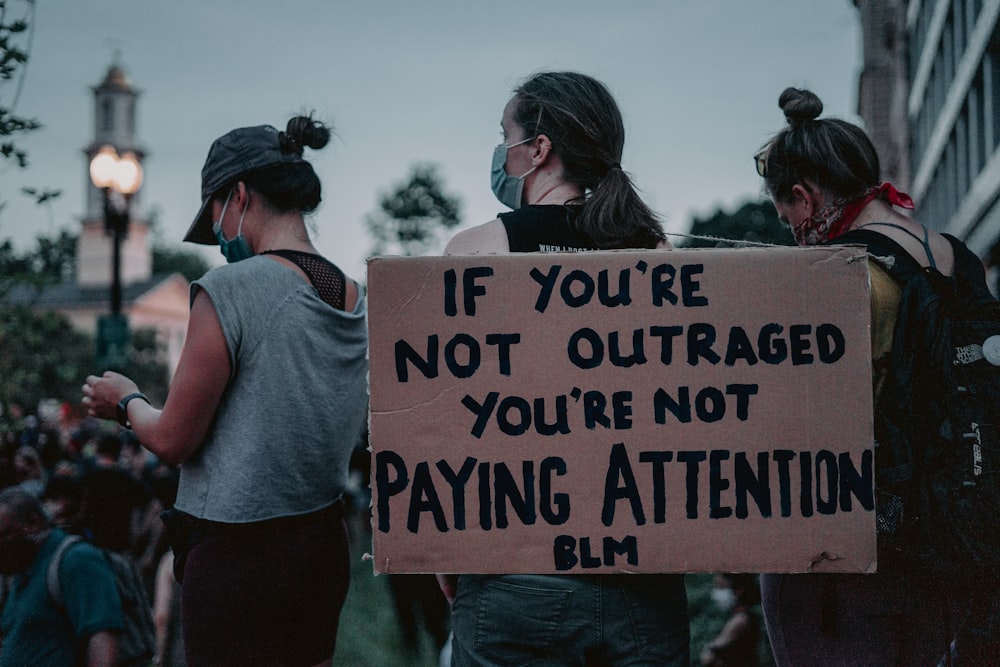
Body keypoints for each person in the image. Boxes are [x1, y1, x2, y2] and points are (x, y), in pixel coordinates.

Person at [82, 115, 370, 667]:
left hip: (239, 555)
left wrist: (125, 402)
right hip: (321, 545)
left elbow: (172, 440)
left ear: (238, 194)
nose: (217, 234)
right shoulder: (350, 292)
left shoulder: (230, 288)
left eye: (215, 214)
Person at [440, 70, 689, 666]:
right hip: (642, 580)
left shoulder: (474, 253)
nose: (502, 153)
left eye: (506, 136)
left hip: (511, 573)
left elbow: (444, 424)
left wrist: (443, 558)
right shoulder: (656, 256)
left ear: (539, 150)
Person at [753, 86, 962, 665]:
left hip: (846, 551)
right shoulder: (950, 256)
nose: (793, 232)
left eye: (788, 217)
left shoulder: (836, 276)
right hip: (949, 537)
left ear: (804, 195)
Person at [0, 486, 123, 666]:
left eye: (4, 534)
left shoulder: (75, 559)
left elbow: (102, 637)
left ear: (33, 523)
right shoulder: (23, 570)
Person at [699, 574, 761, 667]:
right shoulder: (737, 616)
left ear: (739, 590)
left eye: (721, 587)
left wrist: (710, 649)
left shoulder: (740, 620)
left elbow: (708, 657)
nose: (716, 593)